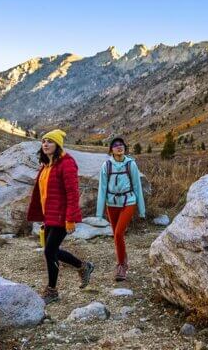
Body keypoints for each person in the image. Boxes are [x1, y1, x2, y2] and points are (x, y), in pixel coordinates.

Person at [27, 129, 94, 303]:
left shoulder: (67, 163)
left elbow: (73, 193)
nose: (46, 144)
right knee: (52, 250)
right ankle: (83, 266)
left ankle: (52, 291)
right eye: (43, 141)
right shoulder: (46, 165)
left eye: (50, 141)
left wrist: (70, 218)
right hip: (50, 215)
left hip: (62, 216)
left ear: (58, 145)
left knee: (49, 251)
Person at [96, 136, 146, 281]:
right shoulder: (107, 166)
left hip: (128, 201)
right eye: (116, 145)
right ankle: (123, 259)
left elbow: (137, 186)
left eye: (122, 145)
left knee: (118, 233)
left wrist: (141, 210)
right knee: (118, 235)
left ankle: (121, 266)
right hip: (111, 203)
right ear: (111, 150)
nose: (119, 146)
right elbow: (102, 189)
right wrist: (99, 213)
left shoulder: (131, 164)